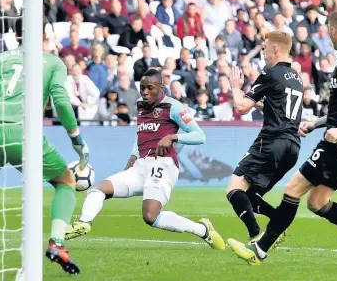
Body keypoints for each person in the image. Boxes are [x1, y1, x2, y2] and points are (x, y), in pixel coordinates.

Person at [227, 9, 337, 265]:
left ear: (333, 31)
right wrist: (317, 123)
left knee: (293, 188)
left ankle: (259, 250)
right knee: (318, 203)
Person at [0, 17, 90, 275]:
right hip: (24, 134)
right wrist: (76, 138)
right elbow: (60, 101)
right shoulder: (52, 62)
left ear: (15, 36)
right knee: (66, 182)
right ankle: (57, 243)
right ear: (44, 32)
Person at [65, 68, 224, 250]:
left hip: (163, 165)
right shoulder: (141, 104)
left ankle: (202, 230)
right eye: (142, 88)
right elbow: (141, 133)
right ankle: (84, 223)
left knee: (150, 216)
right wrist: (133, 157)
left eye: (150, 88)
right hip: (141, 166)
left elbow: (200, 135)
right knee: (98, 189)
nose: (145, 92)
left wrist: (173, 137)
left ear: (161, 87)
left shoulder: (173, 107)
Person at [215, 30, 303, 244]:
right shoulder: (296, 79)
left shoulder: (270, 74)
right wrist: (255, 98)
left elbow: (242, 107)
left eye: (264, 49)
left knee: (234, 189)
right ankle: (277, 225)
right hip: (292, 148)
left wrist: (236, 88)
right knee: (250, 195)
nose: (263, 53)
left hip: (271, 142)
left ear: (275, 49)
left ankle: (256, 234)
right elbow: (275, 107)